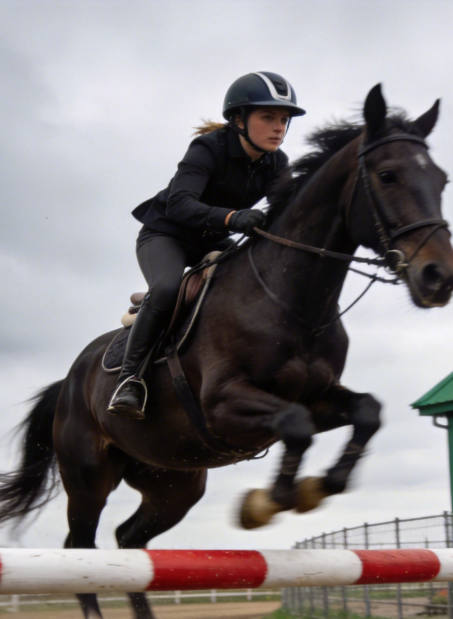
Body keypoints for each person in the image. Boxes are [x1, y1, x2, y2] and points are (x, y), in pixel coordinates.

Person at [107, 72, 306, 420]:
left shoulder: (278, 162)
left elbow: (285, 213)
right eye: (269, 118)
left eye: (284, 120)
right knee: (167, 288)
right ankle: (130, 380)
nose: (279, 128)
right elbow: (179, 205)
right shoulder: (208, 148)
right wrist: (232, 218)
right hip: (166, 235)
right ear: (239, 120)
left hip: (213, 241)